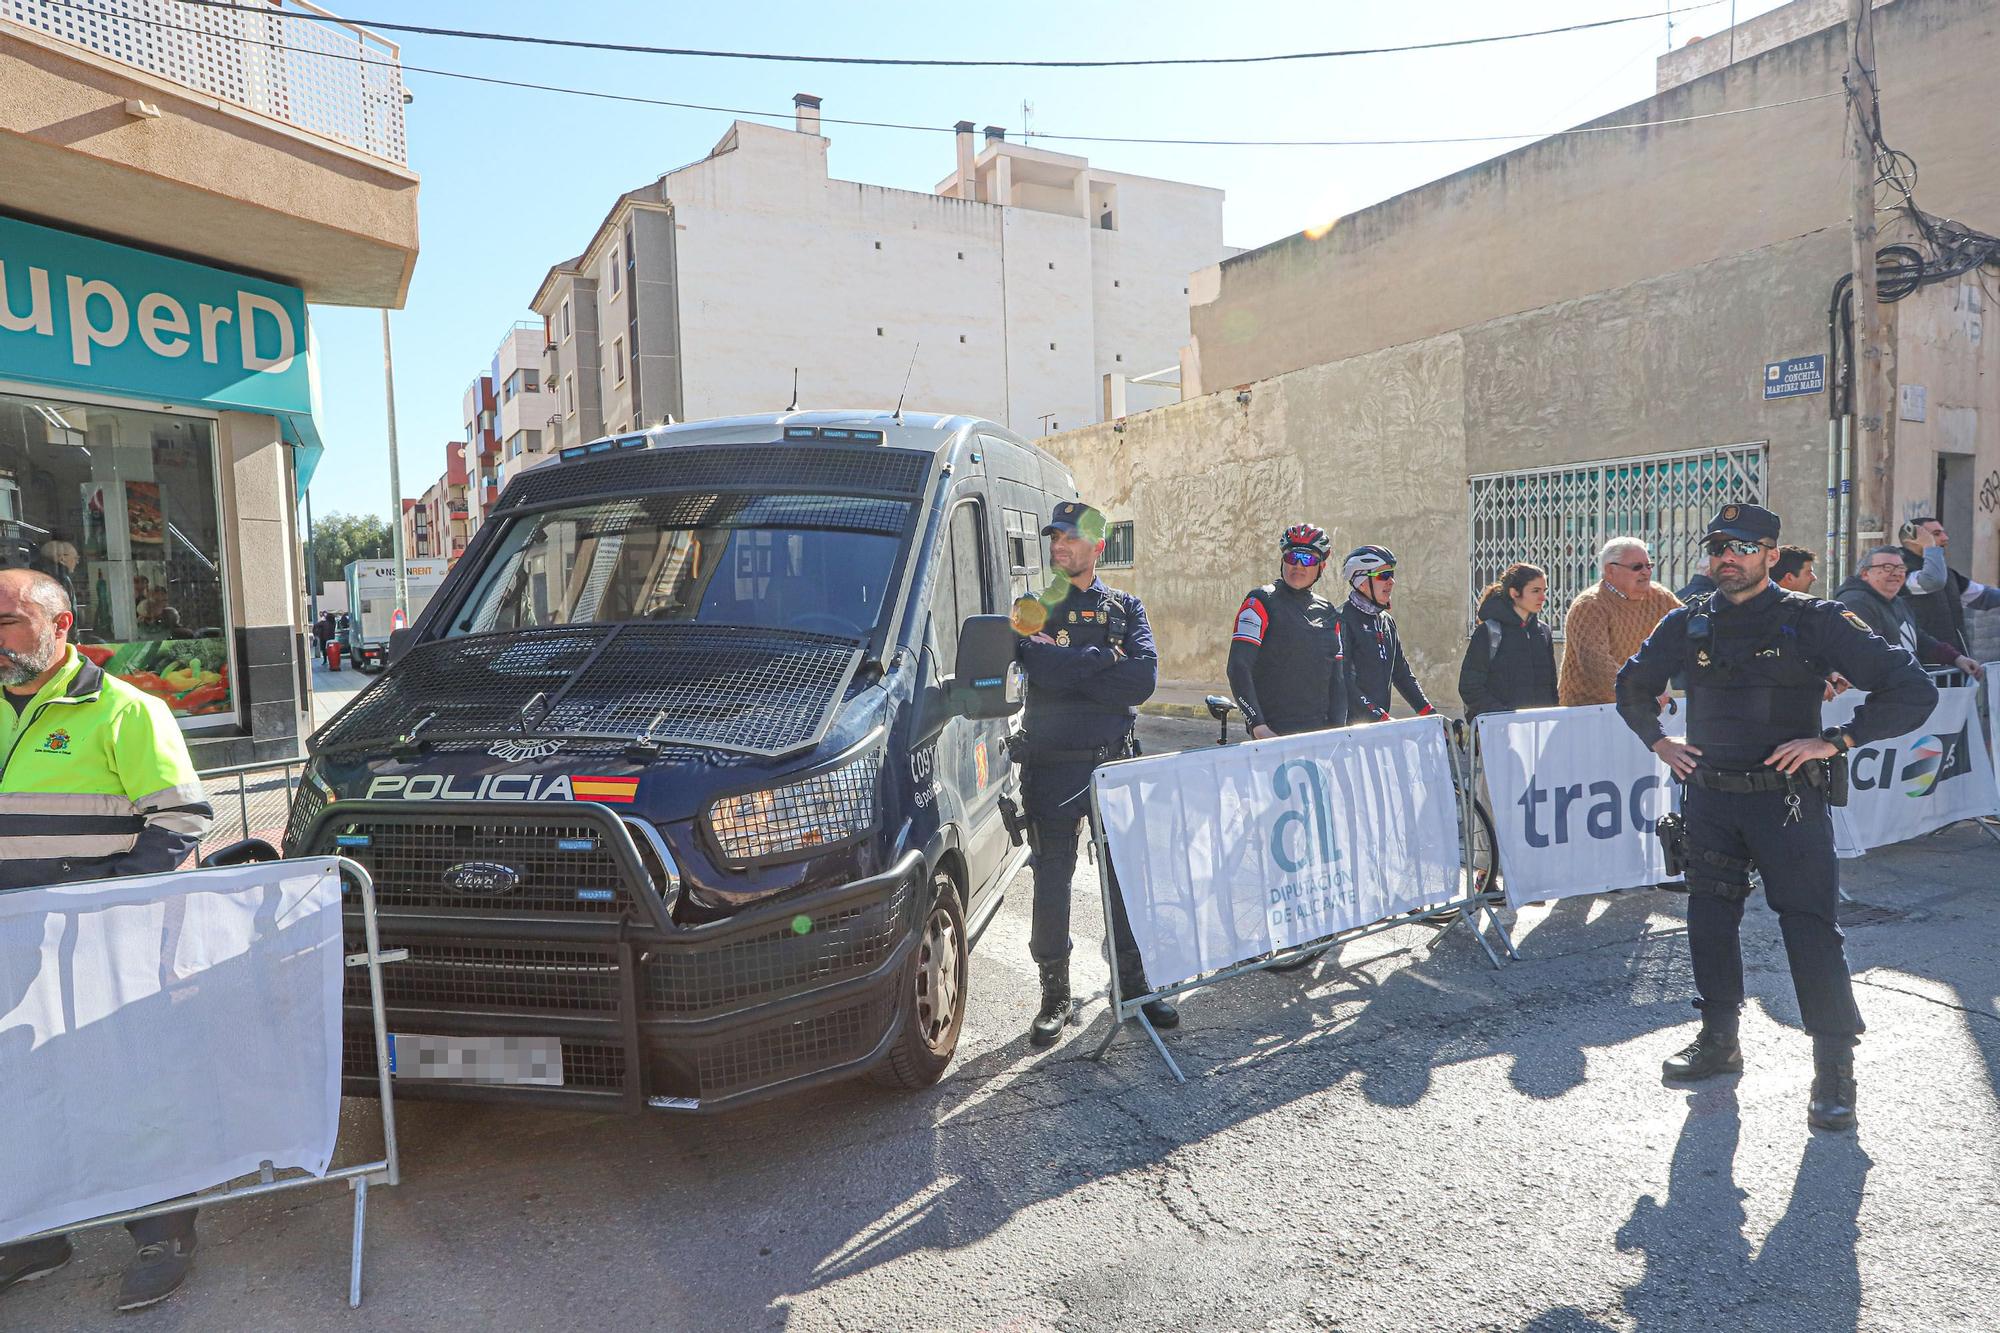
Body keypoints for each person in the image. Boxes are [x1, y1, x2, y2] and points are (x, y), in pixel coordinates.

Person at [1615, 505, 1937, 1131]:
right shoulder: (1688, 620)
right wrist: (1659, 742)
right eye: (1716, 546)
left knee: (1810, 929)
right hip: (1708, 798)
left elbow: (1912, 690)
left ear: (1770, 554)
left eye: (1741, 546)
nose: (1725, 557)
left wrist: (1837, 741)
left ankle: (1834, 1071)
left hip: (1787, 802)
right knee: (1709, 919)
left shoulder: (1813, 621)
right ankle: (1718, 1040)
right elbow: (1631, 684)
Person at [0, 569, 215, 1311]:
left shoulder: (128, 710)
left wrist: (105, 900)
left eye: (7, 621)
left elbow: (182, 819)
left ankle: (164, 1233)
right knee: (23, 1084)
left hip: (100, 942)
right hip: (11, 942)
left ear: (61, 627)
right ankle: (33, 1230)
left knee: (127, 1083)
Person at [1012, 502, 1177, 1047]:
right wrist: (1105, 659)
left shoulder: (1126, 606)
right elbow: (1040, 668)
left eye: (1070, 539)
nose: (1058, 546)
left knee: (1126, 877)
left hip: (1113, 762)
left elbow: (1143, 680)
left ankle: (1133, 985)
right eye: (1054, 537)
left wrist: (1075, 668)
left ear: (1097, 546)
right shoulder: (1032, 607)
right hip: (1054, 766)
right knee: (1052, 881)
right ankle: (1054, 995)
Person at [1227, 523, 1350, 737]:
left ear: (1321, 567)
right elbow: (1238, 667)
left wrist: (1337, 732)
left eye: (1308, 559)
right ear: (1283, 560)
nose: (1298, 566)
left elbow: (1337, 681)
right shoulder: (1260, 602)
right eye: (1292, 557)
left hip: (1318, 736)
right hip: (1272, 735)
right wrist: (1258, 725)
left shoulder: (1329, 613)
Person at [1558, 538, 1681, 706]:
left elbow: (1688, 627)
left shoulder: (1659, 597)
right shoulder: (1589, 605)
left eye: (1649, 565)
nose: (1646, 572)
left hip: (1636, 704)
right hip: (1589, 709)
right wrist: (1638, 692)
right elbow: (1596, 662)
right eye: (1637, 567)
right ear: (1610, 570)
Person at [1834, 547, 1985, 679]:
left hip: (1903, 690)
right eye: (1887, 567)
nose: (1896, 573)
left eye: (1901, 568)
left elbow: (1918, 638)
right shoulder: (1856, 603)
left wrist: (1957, 658)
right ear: (1865, 573)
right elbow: (1867, 651)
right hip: (1878, 696)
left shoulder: (1897, 601)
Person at [1337, 545, 1433, 722]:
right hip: (1350, 729)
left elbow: (1401, 673)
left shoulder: (1386, 621)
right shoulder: (1342, 619)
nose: (1391, 582)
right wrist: (1378, 716)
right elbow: (1342, 682)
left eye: (1392, 574)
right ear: (1362, 582)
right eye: (1383, 575)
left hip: (1378, 728)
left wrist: (1429, 712)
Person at [1457, 563, 1558, 720]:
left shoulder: (1543, 632)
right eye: (1535, 591)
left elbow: (1551, 688)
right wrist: (1503, 716)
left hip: (1538, 732)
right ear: (1514, 592)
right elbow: (1470, 687)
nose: (1543, 597)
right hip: (1501, 733)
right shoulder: (1489, 632)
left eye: (1544, 591)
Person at [1897, 516, 2000, 658]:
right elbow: (1932, 581)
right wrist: (1930, 547)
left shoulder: (1946, 573)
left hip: (1955, 662)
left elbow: (1983, 596)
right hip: (1920, 665)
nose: (1946, 538)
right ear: (1913, 538)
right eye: (1936, 534)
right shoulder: (1898, 571)